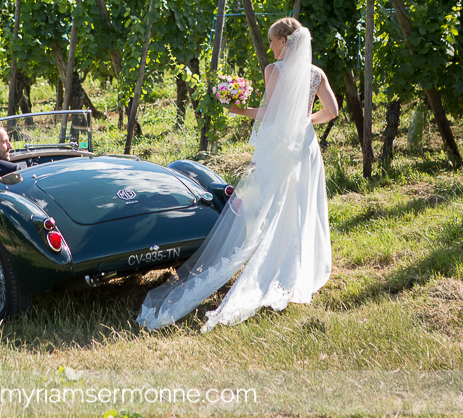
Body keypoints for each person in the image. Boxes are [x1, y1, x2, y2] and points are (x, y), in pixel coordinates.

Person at [136, 17, 338, 331]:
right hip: (306, 146)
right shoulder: (316, 74)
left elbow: (270, 113)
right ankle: (297, 273)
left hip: (281, 147)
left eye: (272, 40)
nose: (270, 46)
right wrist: (303, 120)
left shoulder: (276, 71)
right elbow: (332, 111)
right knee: (300, 205)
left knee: (271, 210)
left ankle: (269, 272)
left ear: (284, 41)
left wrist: (238, 110)